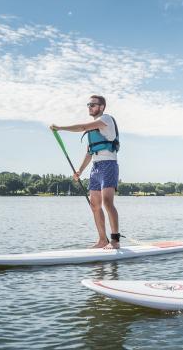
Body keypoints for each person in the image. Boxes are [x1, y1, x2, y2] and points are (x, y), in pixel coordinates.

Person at [50, 95, 121, 249]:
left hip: (109, 165)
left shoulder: (106, 119)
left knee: (108, 202)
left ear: (101, 107)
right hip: (95, 168)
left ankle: (115, 241)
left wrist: (60, 128)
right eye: (88, 105)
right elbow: (89, 153)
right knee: (95, 204)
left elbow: (82, 127)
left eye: (92, 105)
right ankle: (102, 240)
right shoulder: (91, 132)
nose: (89, 107)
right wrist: (79, 170)